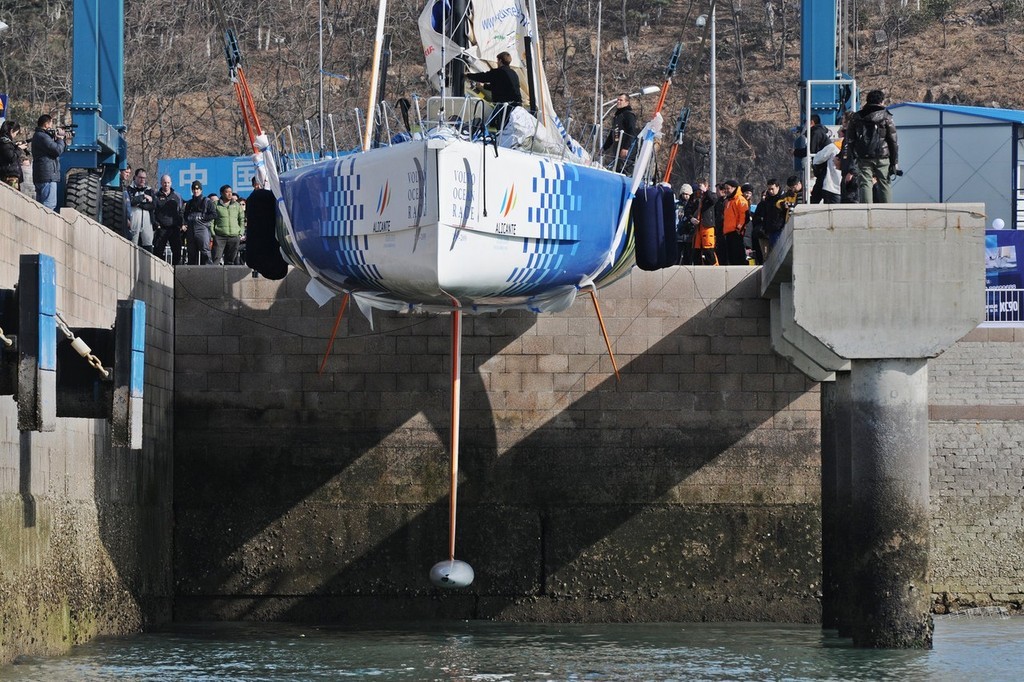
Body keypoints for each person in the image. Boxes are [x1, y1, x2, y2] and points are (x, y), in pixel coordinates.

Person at [845, 89, 899, 204]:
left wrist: (853, 155)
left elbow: (850, 139)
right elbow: (893, 140)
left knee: (865, 183)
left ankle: (867, 211)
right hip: (882, 156)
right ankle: (888, 211)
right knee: (884, 182)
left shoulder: (857, 116)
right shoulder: (886, 116)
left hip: (863, 155)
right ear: (881, 101)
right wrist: (894, 161)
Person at [466, 51, 521, 129]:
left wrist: (468, 75)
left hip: (504, 106)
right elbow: (500, 86)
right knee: (509, 128)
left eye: (497, 60)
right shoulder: (513, 73)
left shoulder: (498, 72)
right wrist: (484, 86)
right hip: (517, 106)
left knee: (501, 127)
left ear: (500, 61)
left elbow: (483, 77)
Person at [30, 114, 67, 210]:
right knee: (48, 206)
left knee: (41, 205)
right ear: (46, 124)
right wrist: (60, 139)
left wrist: (57, 139)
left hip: (42, 174)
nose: (51, 126)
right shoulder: (43, 137)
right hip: (47, 176)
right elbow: (57, 150)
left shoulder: (39, 136)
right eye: (51, 123)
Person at [152, 174, 185, 265]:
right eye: (164, 183)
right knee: (158, 252)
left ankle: (176, 273)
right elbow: (153, 212)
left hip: (174, 228)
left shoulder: (177, 196)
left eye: (168, 183)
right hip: (161, 228)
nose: (166, 185)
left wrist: (181, 224)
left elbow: (181, 211)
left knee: (177, 252)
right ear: (161, 183)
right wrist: (156, 224)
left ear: (171, 183)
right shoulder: (156, 196)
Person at [603, 93, 640, 173]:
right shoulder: (617, 116)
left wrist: (626, 147)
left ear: (627, 102)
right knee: (616, 169)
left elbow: (631, 131)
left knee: (624, 170)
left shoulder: (629, 115)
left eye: (621, 100)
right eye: (617, 100)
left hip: (626, 150)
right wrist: (604, 148)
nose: (618, 102)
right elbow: (612, 134)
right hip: (617, 149)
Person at [183, 181, 215, 264]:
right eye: (194, 189)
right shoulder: (189, 203)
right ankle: (192, 272)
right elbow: (185, 215)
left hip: (202, 229)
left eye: (197, 189)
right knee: (191, 251)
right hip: (191, 230)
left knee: (205, 251)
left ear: (201, 190)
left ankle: (208, 271)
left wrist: (204, 218)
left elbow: (214, 214)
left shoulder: (207, 201)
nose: (195, 191)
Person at [212, 184, 244, 265]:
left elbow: (241, 219)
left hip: (234, 236)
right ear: (222, 193)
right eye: (227, 192)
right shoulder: (216, 205)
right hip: (219, 236)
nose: (230, 194)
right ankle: (214, 277)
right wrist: (213, 234)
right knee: (216, 259)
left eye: (231, 192)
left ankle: (229, 278)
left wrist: (240, 233)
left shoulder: (236, 205)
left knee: (230, 261)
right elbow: (211, 221)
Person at [126, 168, 155, 251]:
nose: (142, 180)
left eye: (144, 178)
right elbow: (131, 201)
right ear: (135, 177)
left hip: (147, 221)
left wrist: (139, 204)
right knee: (133, 242)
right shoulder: (129, 189)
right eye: (140, 177)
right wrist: (143, 197)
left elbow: (153, 205)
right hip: (134, 219)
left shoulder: (149, 190)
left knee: (148, 243)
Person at [811, 130, 844, 205]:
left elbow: (817, 159)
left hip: (832, 186)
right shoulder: (858, 146)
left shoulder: (834, 146)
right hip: (850, 188)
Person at [721, 179, 749, 266]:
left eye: (728, 188)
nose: (726, 191)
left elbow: (744, 216)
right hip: (728, 232)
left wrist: (739, 228)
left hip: (736, 232)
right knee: (731, 256)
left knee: (738, 256)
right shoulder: (729, 201)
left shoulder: (740, 200)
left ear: (734, 188)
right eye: (725, 189)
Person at [691, 179, 718, 266]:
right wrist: (691, 218)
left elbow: (713, 201)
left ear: (706, 186)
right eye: (698, 187)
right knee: (696, 249)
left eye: (701, 187)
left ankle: (714, 267)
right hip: (697, 227)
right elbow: (688, 209)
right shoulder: (695, 196)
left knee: (708, 249)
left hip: (707, 226)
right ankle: (698, 267)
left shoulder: (711, 195)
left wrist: (706, 192)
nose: (700, 190)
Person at [0, 121, 27, 190]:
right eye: (16, 133)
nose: (15, 135)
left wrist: (15, 146)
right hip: (9, 177)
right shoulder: (4, 143)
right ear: (11, 131)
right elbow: (11, 157)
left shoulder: (6, 142)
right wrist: (19, 149)